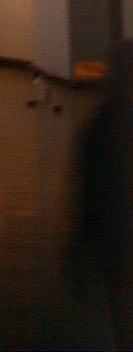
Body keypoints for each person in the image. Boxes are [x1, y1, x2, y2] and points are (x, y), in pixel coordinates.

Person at [67, 40, 133, 348]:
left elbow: (89, 195)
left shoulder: (101, 124)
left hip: (117, 247)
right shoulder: (102, 125)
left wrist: (78, 252)